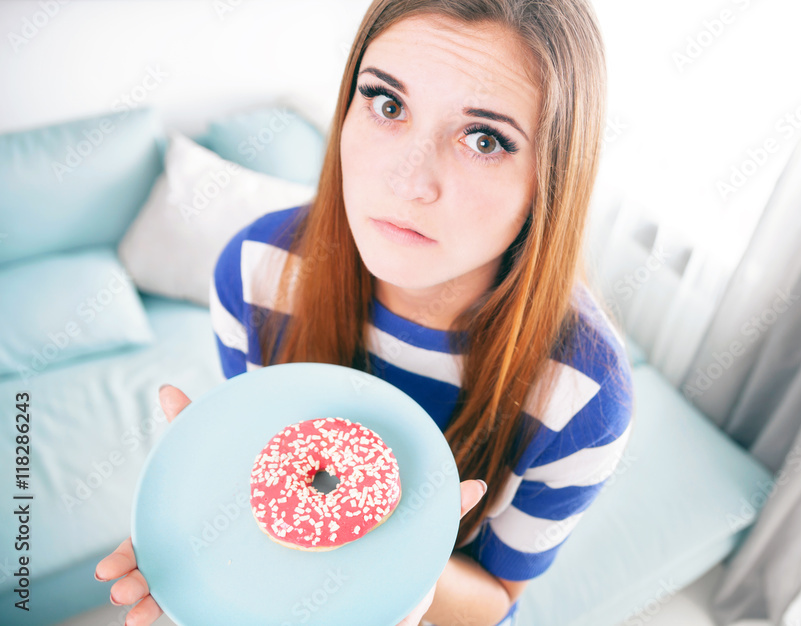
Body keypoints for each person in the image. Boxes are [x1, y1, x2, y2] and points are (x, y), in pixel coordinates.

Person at [94, 0, 634, 624]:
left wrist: (398, 547)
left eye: (484, 138)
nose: (408, 182)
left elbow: (496, 599)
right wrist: (221, 507)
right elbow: (286, 477)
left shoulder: (583, 393)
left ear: (554, 177)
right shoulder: (255, 274)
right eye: (387, 103)